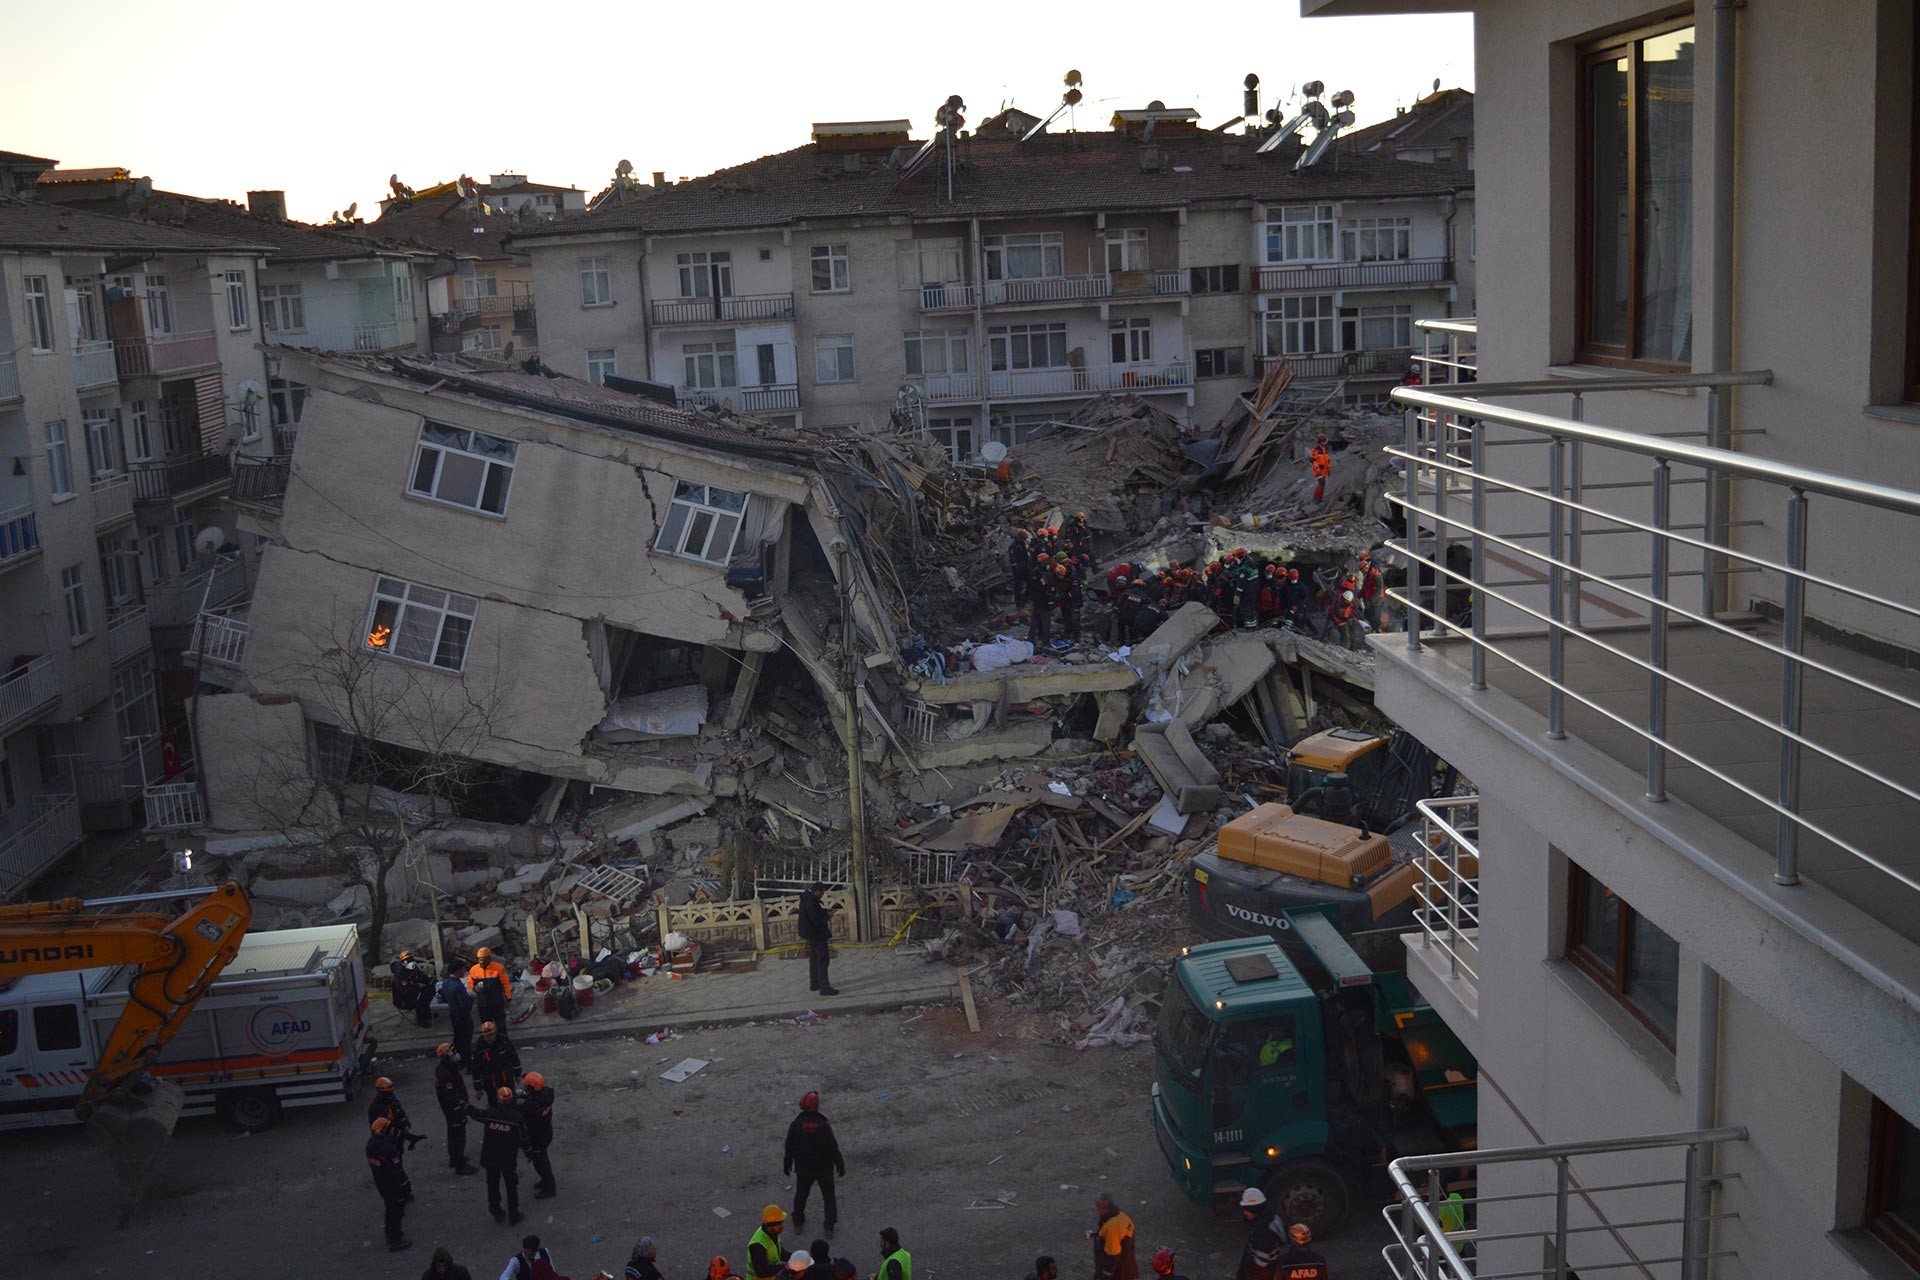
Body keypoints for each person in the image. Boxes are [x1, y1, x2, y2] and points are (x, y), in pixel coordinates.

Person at [784, 1089, 845, 1232]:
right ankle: (829, 1225)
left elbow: (789, 1147)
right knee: (829, 1197)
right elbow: (833, 1148)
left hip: (804, 1168)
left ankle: (798, 1221)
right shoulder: (823, 1126)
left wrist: (787, 1164)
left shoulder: (796, 1125)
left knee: (801, 1195)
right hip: (824, 1168)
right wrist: (840, 1165)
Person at [468, 1084, 526, 1225]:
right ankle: (513, 1214)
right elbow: (524, 1139)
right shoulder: (516, 1119)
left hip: (490, 1157)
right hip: (507, 1158)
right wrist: (530, 1152)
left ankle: (495, 1210)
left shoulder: (489, 1114)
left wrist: (464, 1105)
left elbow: (475, 1113)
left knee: (492, 1185)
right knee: (511, 1186)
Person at [367, 1115, 412, 1252]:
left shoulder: (371, 1145)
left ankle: (390, 1234)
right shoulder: (388, 1149)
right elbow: (397, 1171)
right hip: (393, 1185)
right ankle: (396, 1240)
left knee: (389, 1208)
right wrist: (406, 1186)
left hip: (382, 1184)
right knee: (396, 1210)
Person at [434, 1043, 479, 1175]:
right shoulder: (446, 1074)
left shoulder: (446, 1068)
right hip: (454, 1110)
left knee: (453, 1133)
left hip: (450, 1109)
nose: (456, 1054)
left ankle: (454, 1158)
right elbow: (452, 1097)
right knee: (459, 1136)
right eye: (453, 1053)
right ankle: (460, 1164)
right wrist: (461, 1109)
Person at [520, 1070, 557, 1198]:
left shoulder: (531, 1106)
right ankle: (546, 1181)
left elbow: (520, 1111)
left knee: (540, 1163)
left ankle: (549, 1187)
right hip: (546, 1131)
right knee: (543, 1158)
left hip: (537, 1136)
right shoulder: (546, 1094)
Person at [796, 882, 838, 997]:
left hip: (810, 934)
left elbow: (816, 912)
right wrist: (828, 916)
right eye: (822, 892)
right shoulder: (811, 903)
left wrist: (825, 911)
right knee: (823, 960)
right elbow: (817, 920)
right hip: (816, 935)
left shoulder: (807, 899)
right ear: (817, 891)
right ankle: (824, 988)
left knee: (814, 958)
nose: (823, 894)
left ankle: (815, 983)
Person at [1236, 1187, 1287, 1280]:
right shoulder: (1271, 1217)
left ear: (1255, 1209)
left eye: (1247, 1209)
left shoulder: (1263, 1233)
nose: (1244, 1212)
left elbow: (1261, 1265)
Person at [368, 1075, 425, 1154]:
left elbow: (399, 1111)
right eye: (388, 1092)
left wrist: (405, 1122)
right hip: (385, 1143)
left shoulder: (391, 1098)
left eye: (391, 1091)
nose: (391, 1094)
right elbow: (385, 1130)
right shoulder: (376, 1109)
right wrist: (408, 1136)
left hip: (396, 1140)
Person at [1090, 1193, 1138, 1280]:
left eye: (1098, 1207)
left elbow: (1112, 1256)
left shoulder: (1111, 1227)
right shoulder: (1123, 1216)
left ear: (1105, 1207)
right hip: (1129, 1268)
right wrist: (1096, 1235)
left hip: (1119, 1273)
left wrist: (1103, 1276)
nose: (1097, 1209)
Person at [472, 1020, 522, 1099]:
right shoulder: (479, 1048)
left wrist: (518, 1074)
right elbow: (476, 1068)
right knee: (493, 1102)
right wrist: (478, 1088)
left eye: (491, 1035)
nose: (489, 1038)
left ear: (495, 1032)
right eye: (486, 1036)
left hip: (506, 1077)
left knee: (510, 1099)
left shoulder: (504, 1042)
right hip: (490, 1081)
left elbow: (514, 1057)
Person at [466, 946, 512, 1025]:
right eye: (480, 960)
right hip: (483, 1004)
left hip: (497, 1002)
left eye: (484, 960)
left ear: (489, 958)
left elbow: (506, 984)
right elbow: (470, 985)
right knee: (486, 1026)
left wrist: (508, 998)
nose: (482, 962)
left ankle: (502, 1037)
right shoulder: (474, 970)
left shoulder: (498, 968)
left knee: (500, 1024)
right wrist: (475, 988)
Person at [440, 967, 476, 1064]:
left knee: (458, 1039)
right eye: (463, 970)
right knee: (466, 1041)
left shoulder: (446, 983)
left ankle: (458, 1060)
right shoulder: (458, 986)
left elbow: (444, 998)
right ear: (458, 970)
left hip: (454, 1015)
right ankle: (467, 1062)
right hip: (463, 1017)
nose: (465, 972)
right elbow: (465, 1005)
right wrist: (471, 998)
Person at [391, 949, 435, 1028]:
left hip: (414, 992)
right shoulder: (400, 975)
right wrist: (418, 993)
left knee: (429, 990)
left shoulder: (412, 968)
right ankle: (422, 1021)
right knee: (419, 1000)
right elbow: (404, 990)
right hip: (403, 1000)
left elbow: (421, 977)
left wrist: (431, 981)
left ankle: (428, 1014)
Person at [747, 1205, 788, 1280]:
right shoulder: (758, 1246)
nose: (782, 1226)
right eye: (779, 1224)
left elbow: (778, 1252)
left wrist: (793, 1257)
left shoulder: (772, 1234)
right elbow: (762, 1271)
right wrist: (784, 1267)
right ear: (770, 1226)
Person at [1309, 435, 1333, 503]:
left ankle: (1319, 498)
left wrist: (1329, 470)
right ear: (1322, 442)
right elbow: (1313, 461)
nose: (1326, 442)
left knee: (1323, 483)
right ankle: (1316, 498)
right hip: (1318, 471)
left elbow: (1327, 462)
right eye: (1325, 441)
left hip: (1324, 471)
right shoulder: (1315, 450)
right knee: (1321, 483)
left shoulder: (1325, 450)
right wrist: (1318, 470)